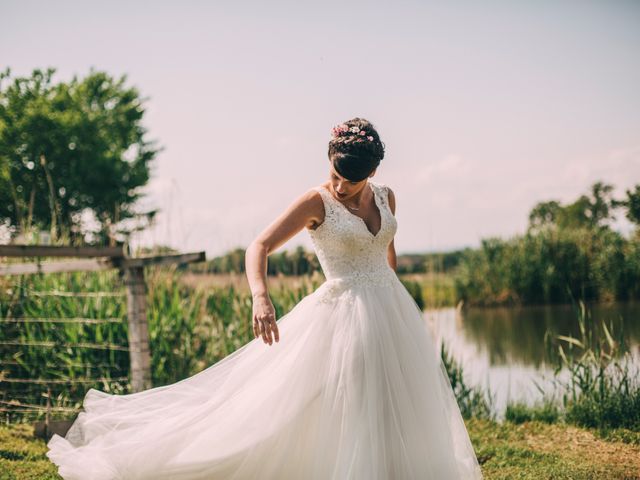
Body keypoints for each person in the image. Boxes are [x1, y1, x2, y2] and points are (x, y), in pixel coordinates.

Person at [46, 117, 484, 479]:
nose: (340, 186)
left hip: (390, 310)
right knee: (341, 405)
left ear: (371, 173)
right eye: (335, 174)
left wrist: (396, 295)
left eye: (350, 181)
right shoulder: (317, 202)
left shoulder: (387, 196)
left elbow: (386, 249)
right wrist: (261, 298)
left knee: (396, 403)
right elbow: (258, 246)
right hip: (342, 314)